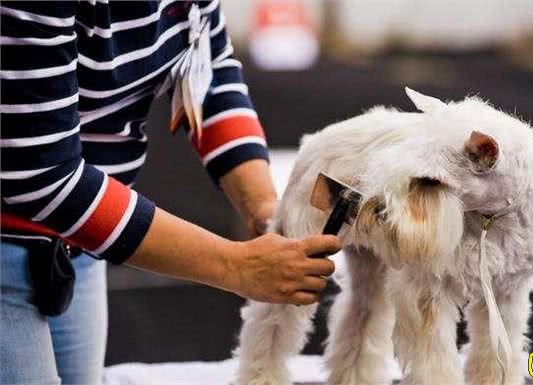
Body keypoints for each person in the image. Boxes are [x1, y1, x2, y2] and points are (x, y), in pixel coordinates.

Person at [0, 1, 340, 384]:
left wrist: (264, 208)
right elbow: (43, 177)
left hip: (76, 242)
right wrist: (237, 266)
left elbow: (209, 73)